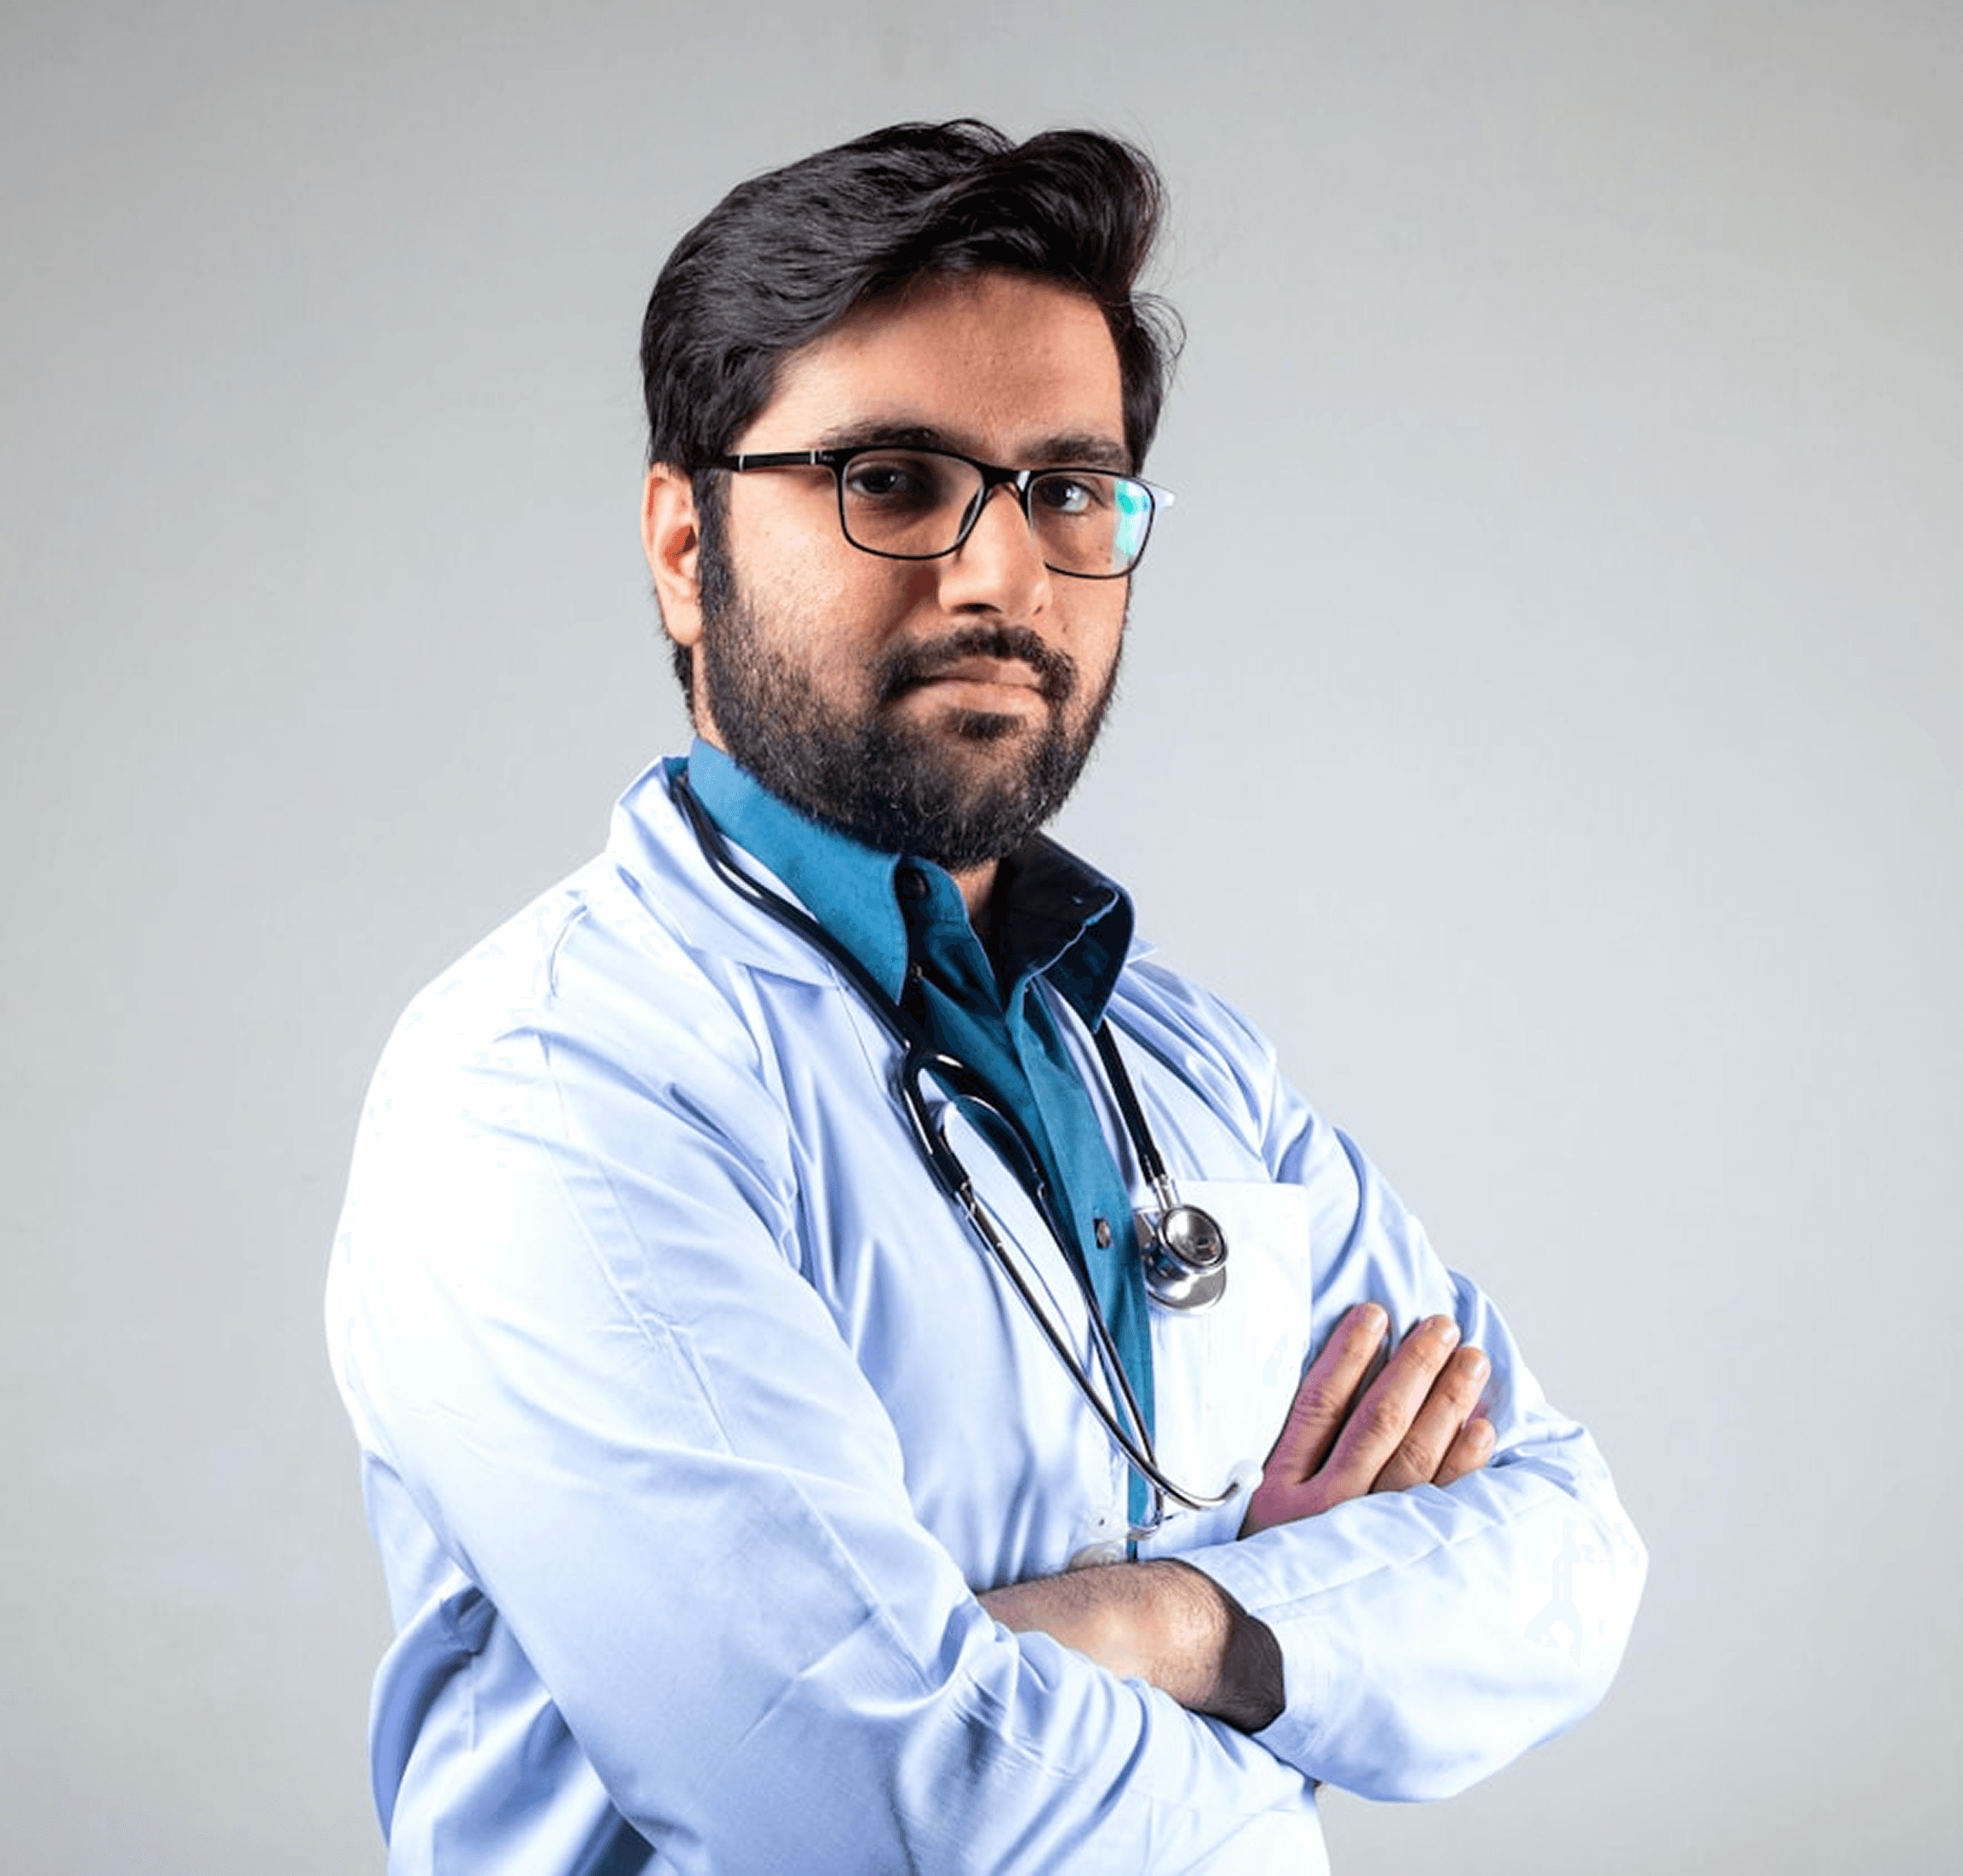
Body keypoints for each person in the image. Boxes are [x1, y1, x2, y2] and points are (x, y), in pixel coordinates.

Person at [326, 120, 1645, 1874]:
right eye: (889, 480)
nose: (1000, 577)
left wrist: (1161, 1623)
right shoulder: (553, 1090)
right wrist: (1304, 1666)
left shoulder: (1171, 1059)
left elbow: (1562, 1558)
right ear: (678, 542)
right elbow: (883, 1806)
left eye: (1069, 491)